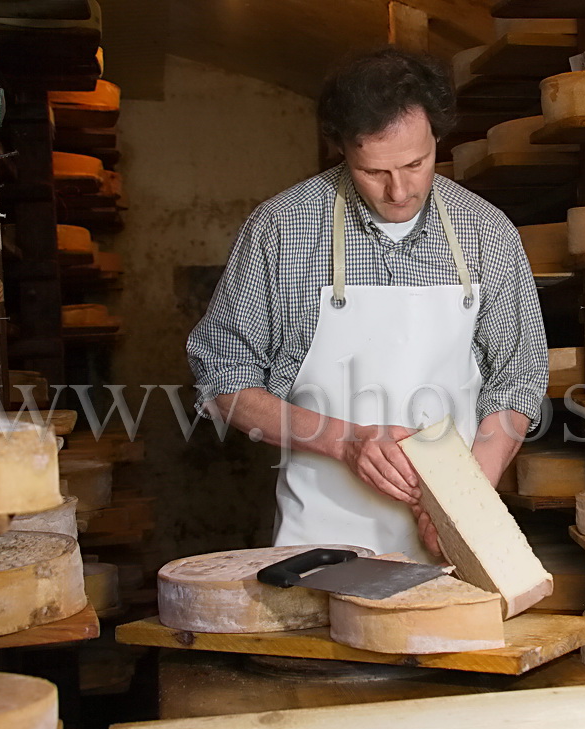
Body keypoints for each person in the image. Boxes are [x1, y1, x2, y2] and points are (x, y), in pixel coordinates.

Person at [186, 47, 549, 564]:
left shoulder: (486, 233)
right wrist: (344, 442)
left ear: (437, 139)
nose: (399, 190)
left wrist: (466, 504)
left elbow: (519, 378)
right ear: (341, 151)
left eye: (415, 164)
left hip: (446, 541)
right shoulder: (281, 231)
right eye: (373, 171)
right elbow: (222, 380)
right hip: (321, 539)